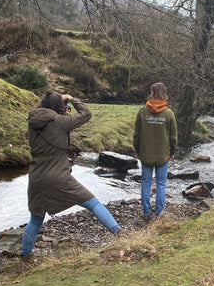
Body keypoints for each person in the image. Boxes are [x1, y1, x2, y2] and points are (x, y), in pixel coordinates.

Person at [20, 90, 120, 262]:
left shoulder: (33, 122)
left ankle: (25, 256)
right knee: (93, 203)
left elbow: (50, 128)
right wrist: (72, 99)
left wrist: (62, 107)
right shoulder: (60, 121)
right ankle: (119, 233)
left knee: (36, 219)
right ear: (58, 106)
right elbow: (86, 114)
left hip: (36, 176)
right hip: (58, 174)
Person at [133, 82, 178, 222]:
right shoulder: (169, 113)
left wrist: (137, 150)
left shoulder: (142, 111)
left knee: (146, 183)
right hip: (163, 155)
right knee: (161, 184)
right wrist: (172, 152)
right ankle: (159, 214)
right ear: (164, 93)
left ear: (152, 93)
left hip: (145, 154)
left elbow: (137, 134)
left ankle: (146, 211)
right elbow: (173, 137)